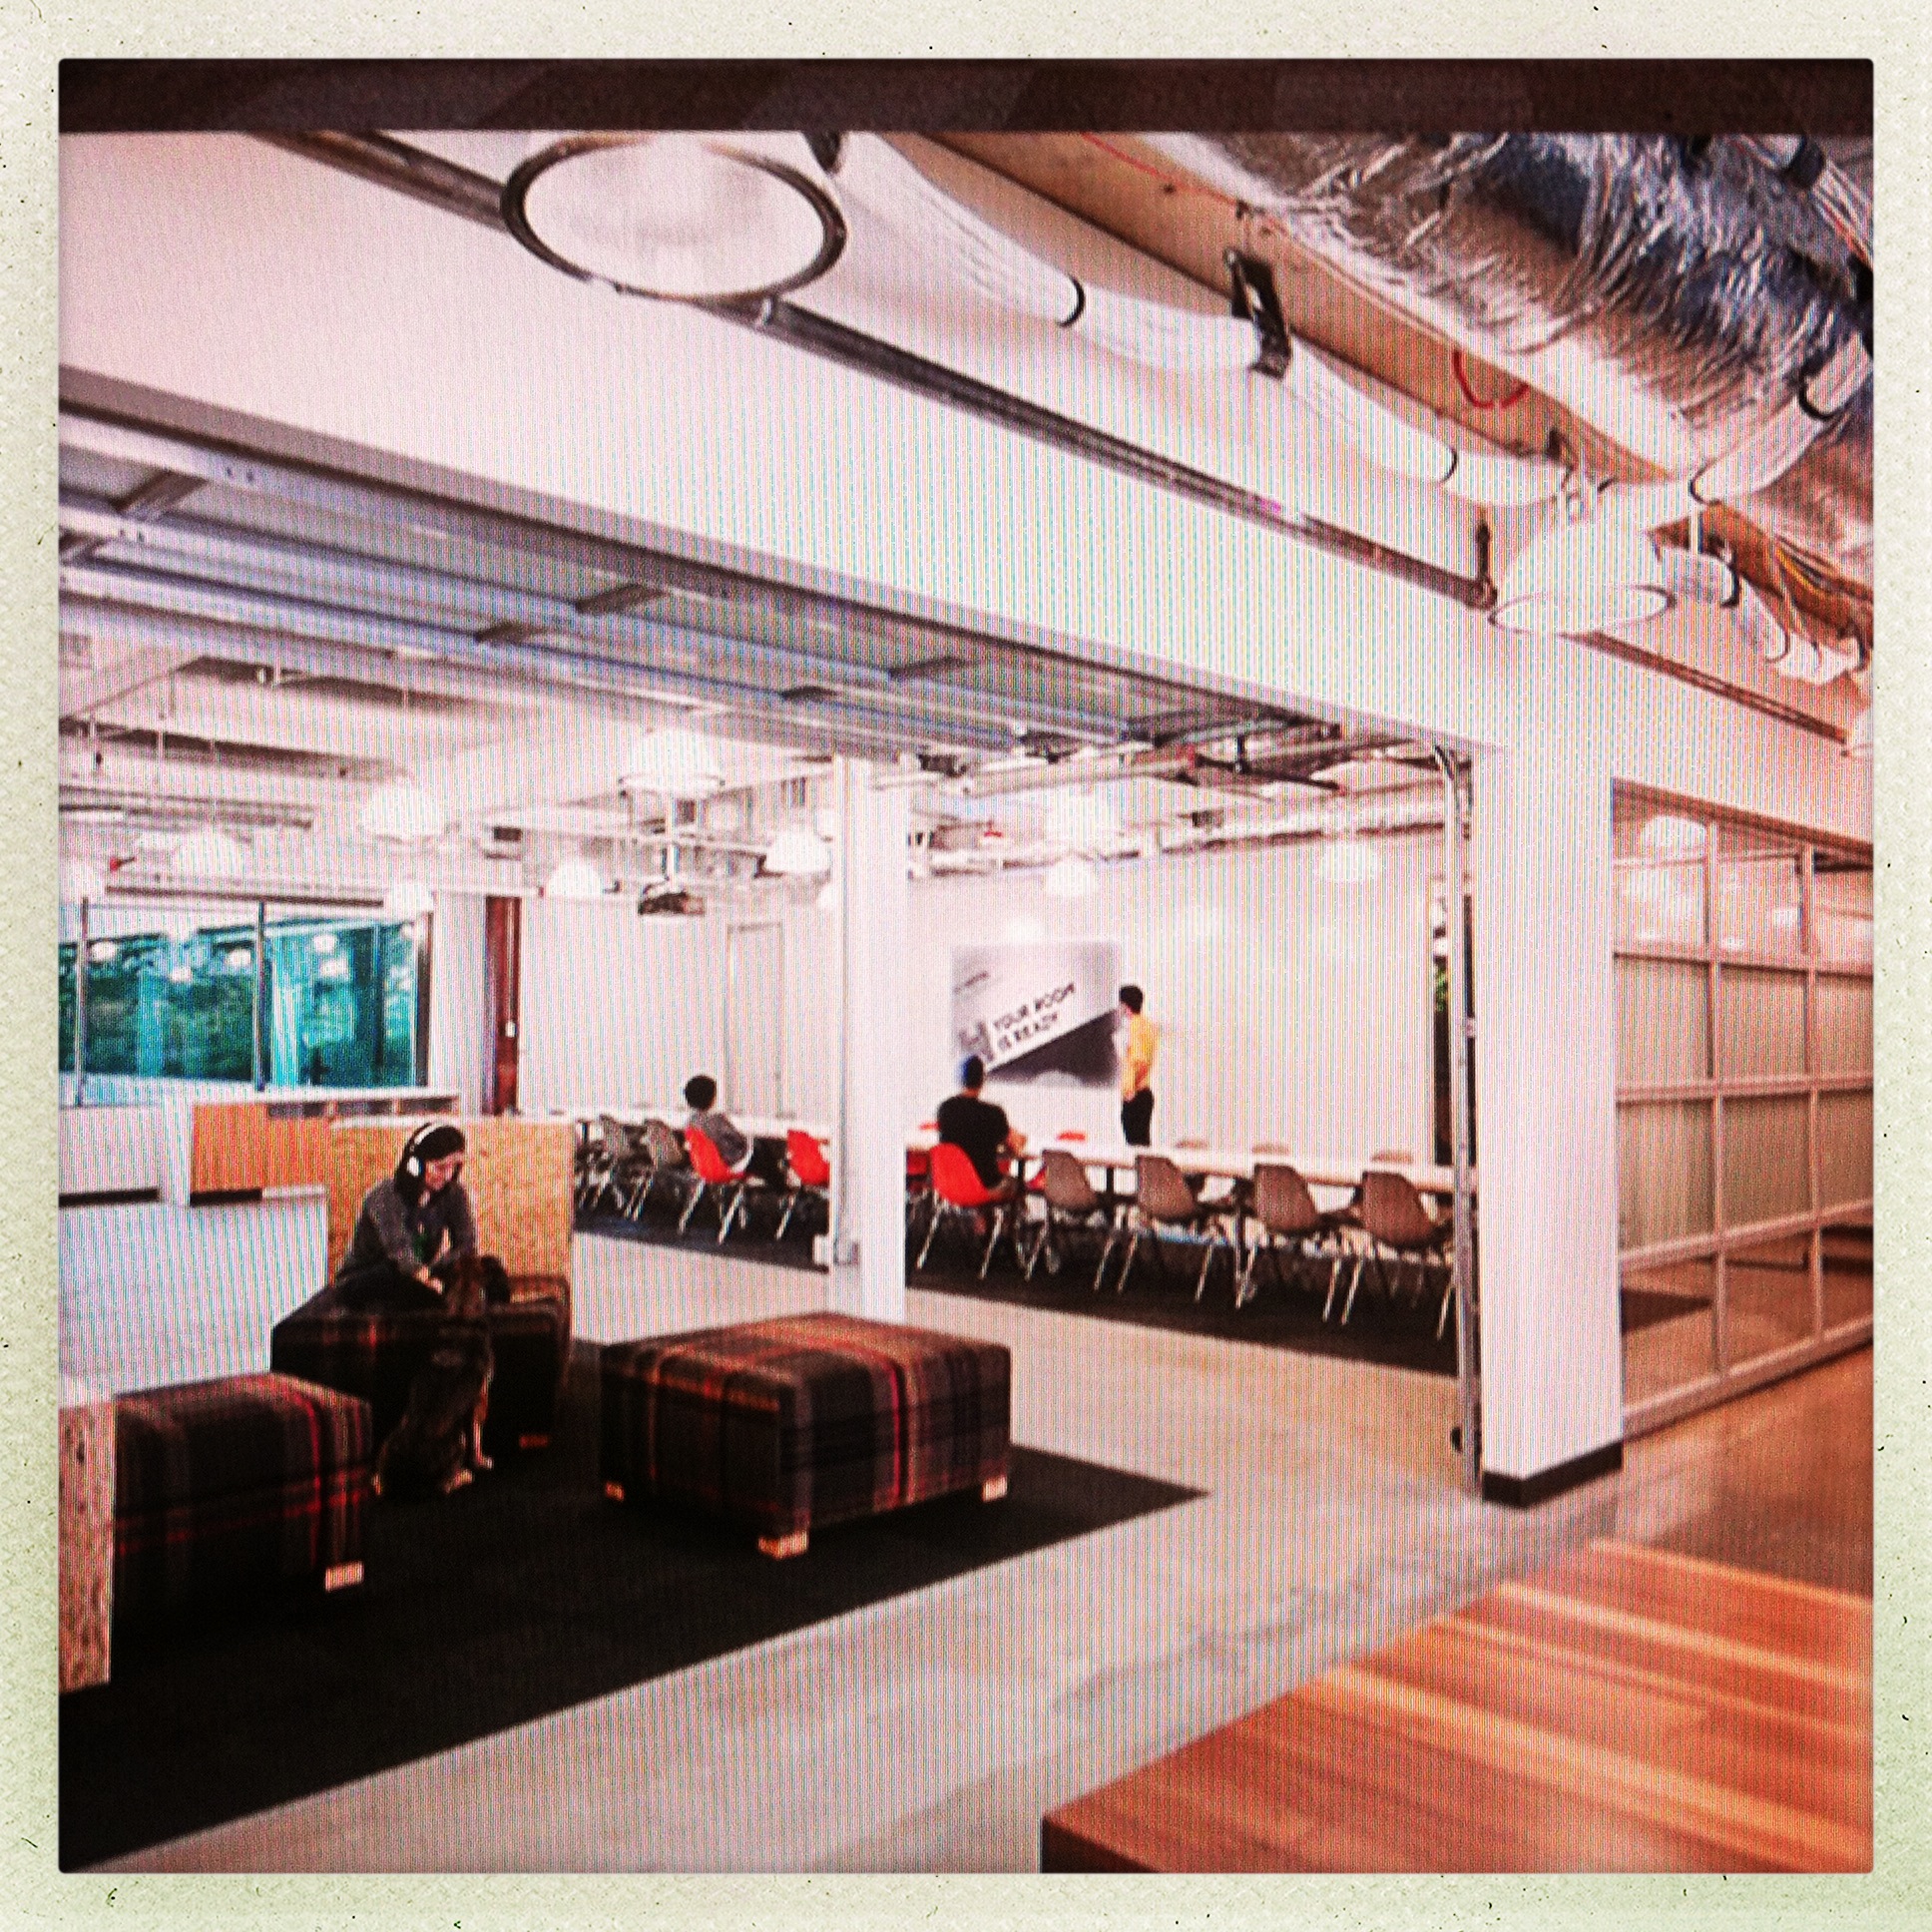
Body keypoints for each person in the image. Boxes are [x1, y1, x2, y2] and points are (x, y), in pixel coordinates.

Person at [333, 1121, 490, 1311]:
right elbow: (400, 1254)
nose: (448, 1175)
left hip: (418, 1274)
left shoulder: (453, 1193)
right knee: (395, 1276)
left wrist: (447, 1271)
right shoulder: (385, 1196)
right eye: (440, 1168)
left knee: (488, 1268)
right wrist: (429, 1280)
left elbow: (466, 1245)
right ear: (416, 1165)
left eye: (454, 1167)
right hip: (369, 1278)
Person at [935, 1055, 1026, 1199]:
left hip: (951, 1184)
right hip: (987, 1184)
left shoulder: (945, 1109)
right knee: (1017, 1184)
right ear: (982, 1080)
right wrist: (1018, 1139)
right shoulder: (994, 1113)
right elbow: (1015, 1148)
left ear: (960, 1080)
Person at [683, 1075, 788, 1190]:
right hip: (729, 1164)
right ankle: (781, 1186)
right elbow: (737, 1139)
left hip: (707, 1168)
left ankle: (777, 1184)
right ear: (711, 1097)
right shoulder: (716, 1120)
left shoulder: (690, 1123)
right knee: (761, 1149)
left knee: (759, 1155)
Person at [1119, 984, 1158, 1146]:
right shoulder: (1147, 1025)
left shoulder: (1134, 1026)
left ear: (1125, 1004)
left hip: (1136, 1094)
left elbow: (1140, 1061)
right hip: (1144, 1093)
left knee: (1136, 1145)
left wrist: (1131, 1089)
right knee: (1142, 1144)